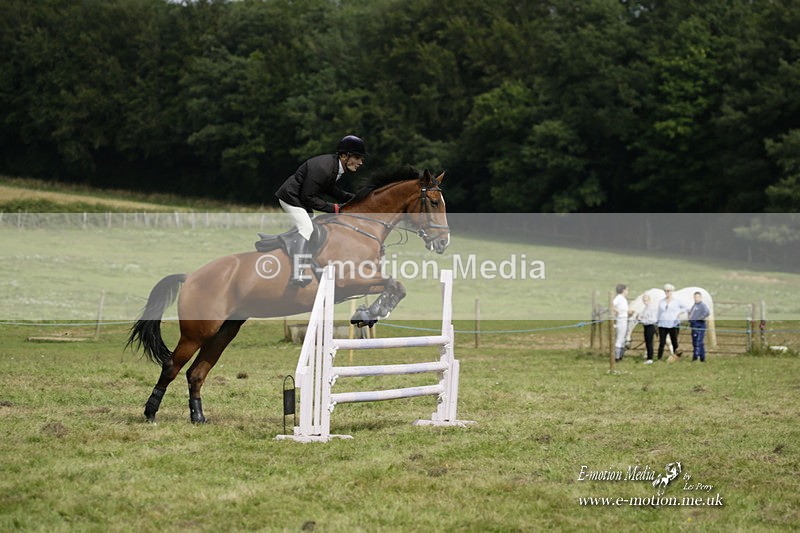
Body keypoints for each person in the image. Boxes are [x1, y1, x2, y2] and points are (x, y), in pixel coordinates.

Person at [275, 135, 366, 286]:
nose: (360, 162)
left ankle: (313, 266)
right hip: (290, 198)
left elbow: (330, 189)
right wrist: (334, 208)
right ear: (344, 156)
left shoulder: (335, 167)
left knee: (314, 229)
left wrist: (353, 198)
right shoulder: (324, 168)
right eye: (357, 157)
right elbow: (308, 197)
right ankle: (297, 274)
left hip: (300, 199)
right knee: (307, 228)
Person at [657, 283, 687, 360]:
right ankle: (659, 358)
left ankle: (676, 357)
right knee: (662, 343)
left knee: (674, 342)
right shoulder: (661, 302)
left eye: (668, 291)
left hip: (673, 324)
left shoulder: (676, 301)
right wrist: (657, 321)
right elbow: (659, 313)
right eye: (665, 291)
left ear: (672, 291)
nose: (666, 292)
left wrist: (679, 313)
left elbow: (685, 308)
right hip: (662, 324)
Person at [612, 284, 634, 361]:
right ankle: (616, 357)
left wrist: (629, 312)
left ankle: (620, 356)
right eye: (627, 290)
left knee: (623, 338)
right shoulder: (618, 298)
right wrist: (618, 312)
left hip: (625, 319)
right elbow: (612, 305)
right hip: (621, 320)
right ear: (623, 290)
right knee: (620, 337)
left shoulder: (623, 299)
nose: (628, 291)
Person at [688, 291, 711, 362]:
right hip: (694, 326)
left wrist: (700, 318)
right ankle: (702, 358)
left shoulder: (702, 305)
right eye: (695, 297)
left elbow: (707, 312)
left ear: (700, 297)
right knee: (696, 341)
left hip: (699, 326)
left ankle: (695, 357)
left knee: (698, 341)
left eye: (697, 297)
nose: (696, 298)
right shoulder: (694, 306)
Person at [639, 293, 659, 364]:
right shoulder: (645, 308)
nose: (645, 302)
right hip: (646, 326)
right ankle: (648, 357)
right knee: (647, 342)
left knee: (649, 342)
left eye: (646, 300)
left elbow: (653, 319)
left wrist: (642, 320)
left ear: (649, 300)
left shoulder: (652, 308)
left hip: (650, 326)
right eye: (644, 300)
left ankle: (650, 358)